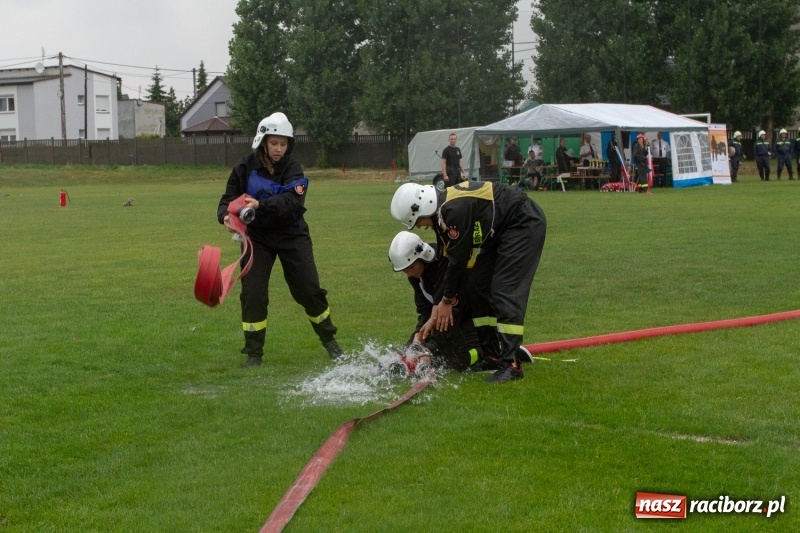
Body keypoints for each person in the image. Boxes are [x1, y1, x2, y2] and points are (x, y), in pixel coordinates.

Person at [217, 111, 343, 367]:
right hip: (257, 238)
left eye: (283, 144)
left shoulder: (293, 168)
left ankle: (329, 340)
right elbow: (227, 200)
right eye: (274, 143)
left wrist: (260, 205)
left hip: (292, 235)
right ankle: (254, 354)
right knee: (253, 294)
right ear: (262, 141)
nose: (278, 149)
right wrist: (226, 217)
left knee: (308, 290)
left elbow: (292, 202)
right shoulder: (244, 166)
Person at [390, 181, 546, 384]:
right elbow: (445, 258)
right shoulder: (442, 214)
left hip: (521, 223)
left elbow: (459, 260)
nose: (420, 226)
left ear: (423, 207)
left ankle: (512, 364)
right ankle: (492, 355)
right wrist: (437, 306)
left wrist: (446, 300)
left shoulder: (454, 211)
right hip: (500, 232)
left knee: (503, 290)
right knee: (477, 286)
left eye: (418, 221)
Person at [388, 231, 484, 373]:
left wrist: (429, 349)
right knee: (410, 349)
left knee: (452, 359)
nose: (409, 273)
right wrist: (417, 337)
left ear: (422, 257)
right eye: (404, 270)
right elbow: (425, 310)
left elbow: (453, 316)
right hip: (448, 320)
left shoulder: (444, 268)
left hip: (469, 319)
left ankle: (490, 351)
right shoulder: (416, 275)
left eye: (411, 267)